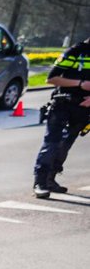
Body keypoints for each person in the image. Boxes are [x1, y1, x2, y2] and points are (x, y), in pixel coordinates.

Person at [32, 36, 90, 198]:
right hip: (63, 104)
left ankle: (51, 179)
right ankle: (40, 182)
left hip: (83, 110)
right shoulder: (75, 52)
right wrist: (80, 84)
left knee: (65, 145)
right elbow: (51, 78)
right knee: (52, 143)